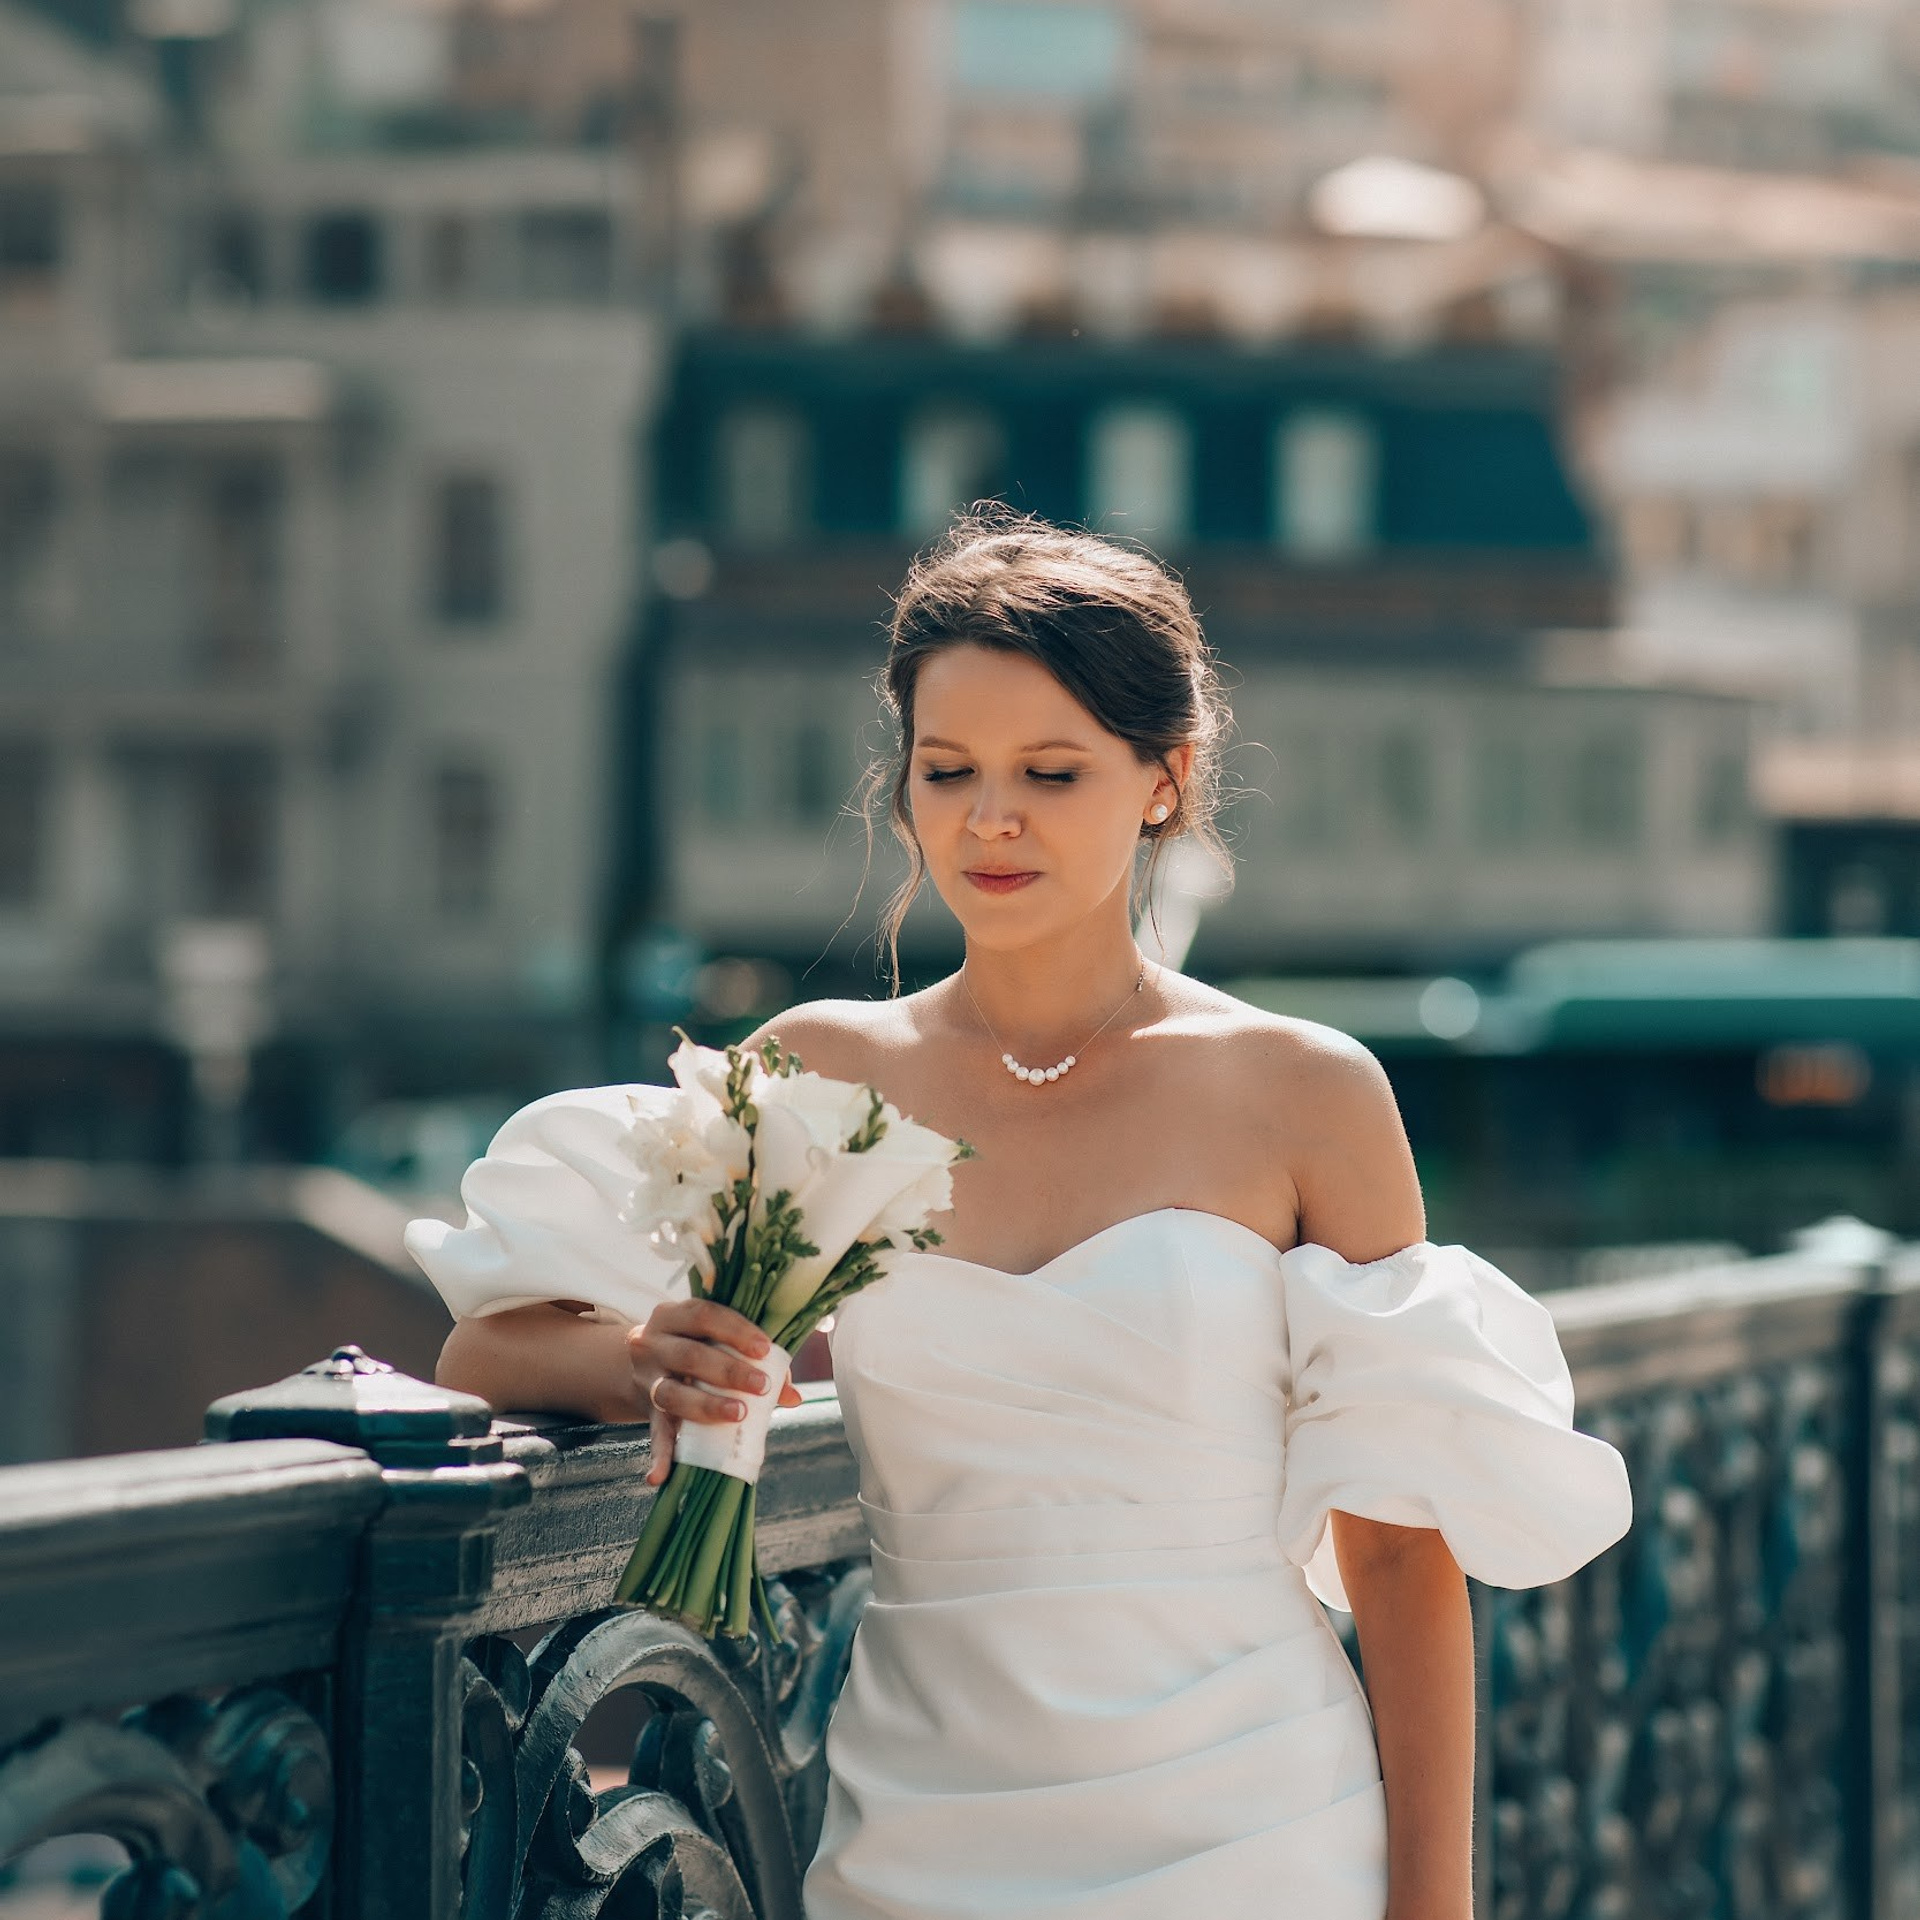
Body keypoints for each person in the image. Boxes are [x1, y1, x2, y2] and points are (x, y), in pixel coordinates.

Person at [428, 509, 1634, 1920]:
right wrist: (647, 1360)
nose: (989, 819)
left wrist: (1435, 1909)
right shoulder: (818, 1078)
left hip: (1257, 1826)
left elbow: (1395, 1549)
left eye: (1050, 773)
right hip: (928, 1826)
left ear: (1163, 782)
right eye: (949, 772)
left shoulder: (1304, 1093)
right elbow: (484, 1357)